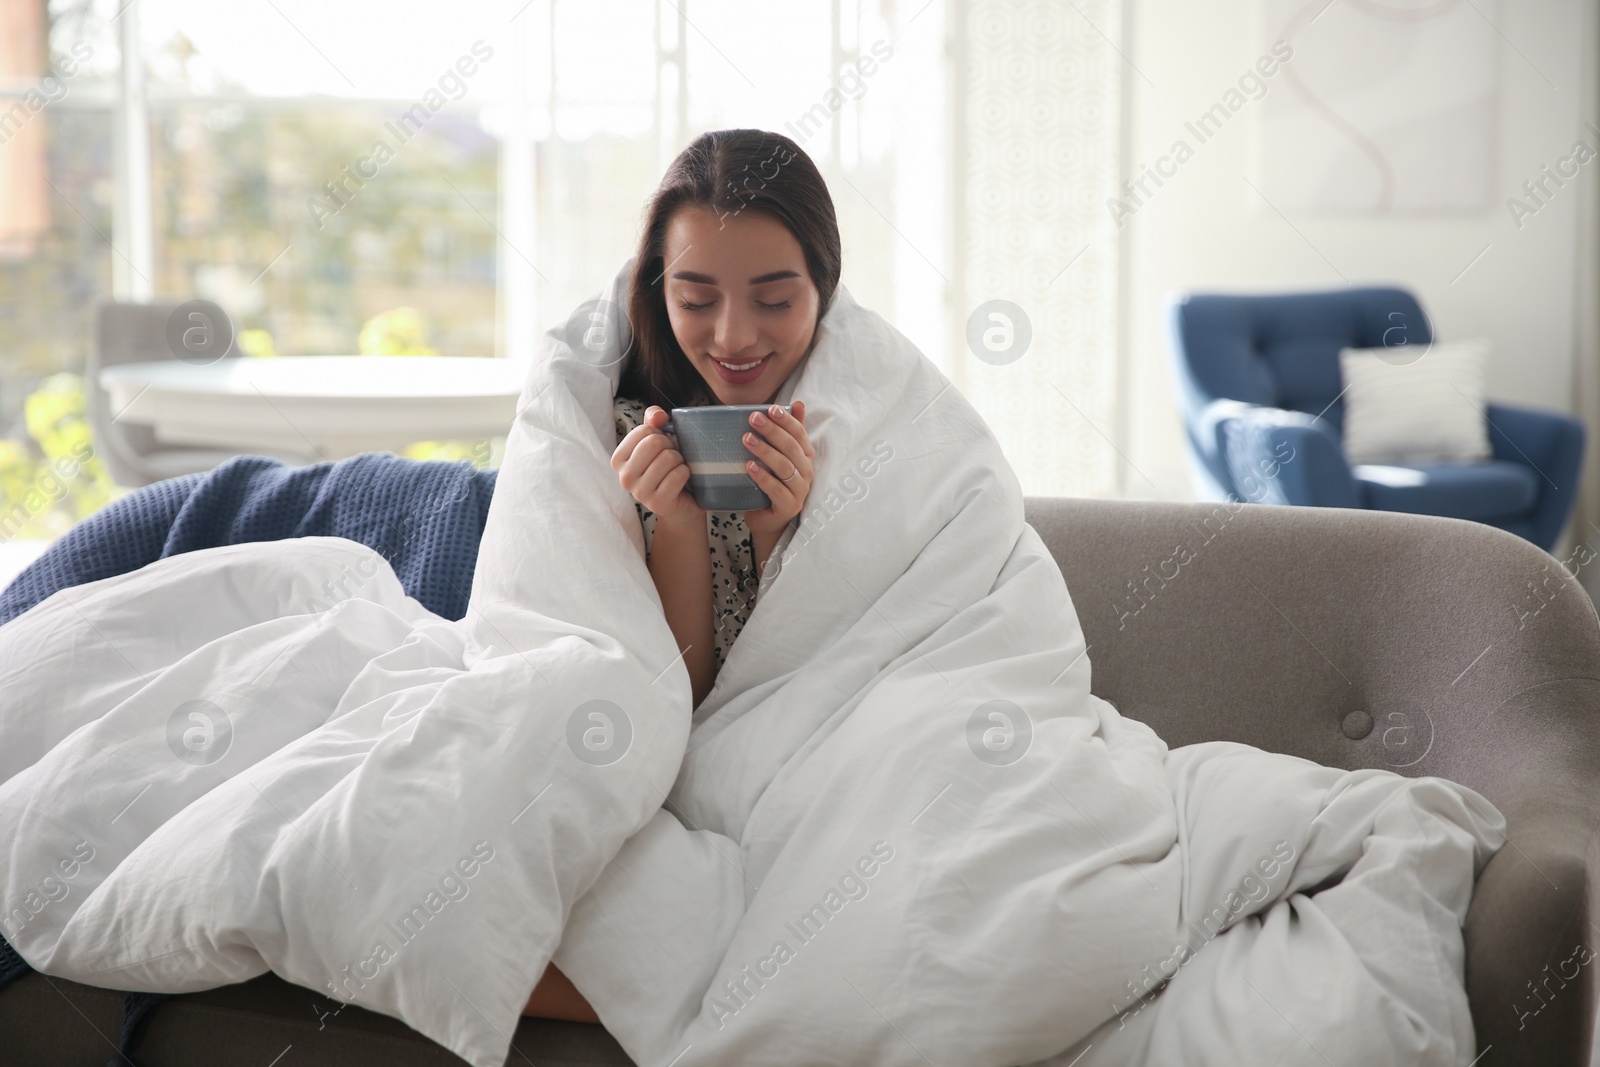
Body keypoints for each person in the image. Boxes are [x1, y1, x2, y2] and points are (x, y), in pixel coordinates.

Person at [524, 128, 838, 1021]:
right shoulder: (627, 421)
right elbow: (670, 693)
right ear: (658, 291)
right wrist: (679, 526)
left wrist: (787, 537)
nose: (734, 337)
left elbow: (841, 647)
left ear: (823, 289)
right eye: (696, 298)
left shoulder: (857, 416)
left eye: (775, 300)